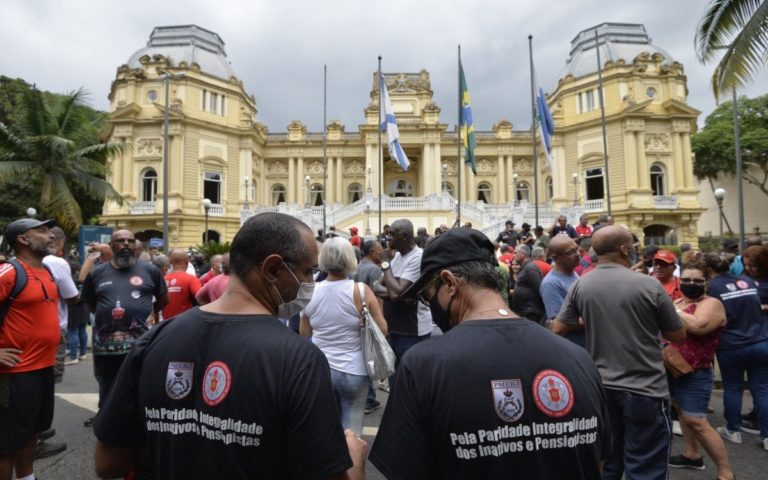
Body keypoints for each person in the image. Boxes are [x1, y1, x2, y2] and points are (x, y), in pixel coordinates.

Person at [93, 212, 366, 480]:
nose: (310, 283)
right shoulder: (300, 359)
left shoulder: (153, 340)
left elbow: (108, 464)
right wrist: (353, 461)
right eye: (308, 271)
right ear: (272, 269)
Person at [369, 228, 611, 478]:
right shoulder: (578, 358)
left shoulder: (421, 366)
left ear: (450, 282)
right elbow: (599, 460)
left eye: (429, 295)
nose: (430, 306)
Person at [553, 225, 685, 480]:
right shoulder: (649, 285)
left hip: (602, 388)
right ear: (624, 249)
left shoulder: (582, 285)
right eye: (633, 247)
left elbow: (558, 327)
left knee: (608, 464)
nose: (634, 250)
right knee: (646, 467)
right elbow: (678, 335)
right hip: (646, 389)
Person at [81, 230, 168, 426]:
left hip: (141, 343)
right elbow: (91, 303)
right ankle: (106, 418)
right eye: (121, 241)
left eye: (130, 241)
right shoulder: (97, 273)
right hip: (106, 345)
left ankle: (140, 419)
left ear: (136, 246)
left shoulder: (150, 270)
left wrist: (147, 314)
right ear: (112, 246)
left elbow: (163, 299)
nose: (126, 244)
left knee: (141, 382)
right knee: (107, 383)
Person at [301, 238, 387, 435]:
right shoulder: (361, 291)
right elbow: (382, 329)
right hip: (354, 369)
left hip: (321, 369)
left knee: (323, 427)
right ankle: (351, 464)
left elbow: (305, 333)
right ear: (351, 258)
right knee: (352, 430)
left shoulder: (310, 291)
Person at [0, 218, 60, 480]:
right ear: (23, 239)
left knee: (31, 433)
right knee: (6, 444)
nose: (50, 235)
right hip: (15, 373)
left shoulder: (47, 271)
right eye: (42, 230)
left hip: (43, 368)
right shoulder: (10, 272)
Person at [665, 263, 734, 479]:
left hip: (696, 372)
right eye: (685, 280)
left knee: (696, 420)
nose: (690, 284)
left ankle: (725, 473)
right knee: (683, 414)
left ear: (706, 282)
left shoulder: (711, 303)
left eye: (696, 281)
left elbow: (698, 326)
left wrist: (671, 309)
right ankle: (692, 454)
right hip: (673, 368)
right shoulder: (676, 302)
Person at [704, 252, 768, 451]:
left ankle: (733, 429)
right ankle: (767, 435)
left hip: (731, 345)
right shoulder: (746, 281)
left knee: (733, 387)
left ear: (708, 270)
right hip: (760, 341)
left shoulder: (712, 287)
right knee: (762, 388)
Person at [378, 219, 432, 376]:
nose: (388, 238)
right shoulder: (395, 257)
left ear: (405, 236)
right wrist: (401, 296)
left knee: (412, 380)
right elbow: (376, 287)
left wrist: (385, 264)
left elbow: (395, 293)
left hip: (412, 332)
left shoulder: (417, 257)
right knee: (394, 380)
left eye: (392, 234)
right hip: (393, 329)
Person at [354, 239, 384, 414]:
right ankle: (368, 399)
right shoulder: (374, 269)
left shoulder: (358, 266)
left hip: (357, 317)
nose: (383, 253)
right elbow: (377, 297)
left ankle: (368, 397)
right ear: (372, 251)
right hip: (370, 318)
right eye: (380, 250)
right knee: (371, 357)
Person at [540, 236, 583, 347]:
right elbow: (557, 326)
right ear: (556, 257)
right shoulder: (551, 284)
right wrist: (592, 319)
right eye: (571, 252)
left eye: (577, 249)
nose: (577, 254)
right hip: (572, 346)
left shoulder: (572, 273)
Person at [508, 245, 546, 325]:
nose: (514, 255)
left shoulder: (530, 268)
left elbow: (541, 290)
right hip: (525, 313)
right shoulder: (526, 267)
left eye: (515, 253)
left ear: (523, 254)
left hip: (531, 314)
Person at [163, 249, 202, 320]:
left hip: (165, 324)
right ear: (187, 262)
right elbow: (202, 299)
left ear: (171, 262)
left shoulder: (163, 279)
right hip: (184, 324)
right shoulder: (191, 279)